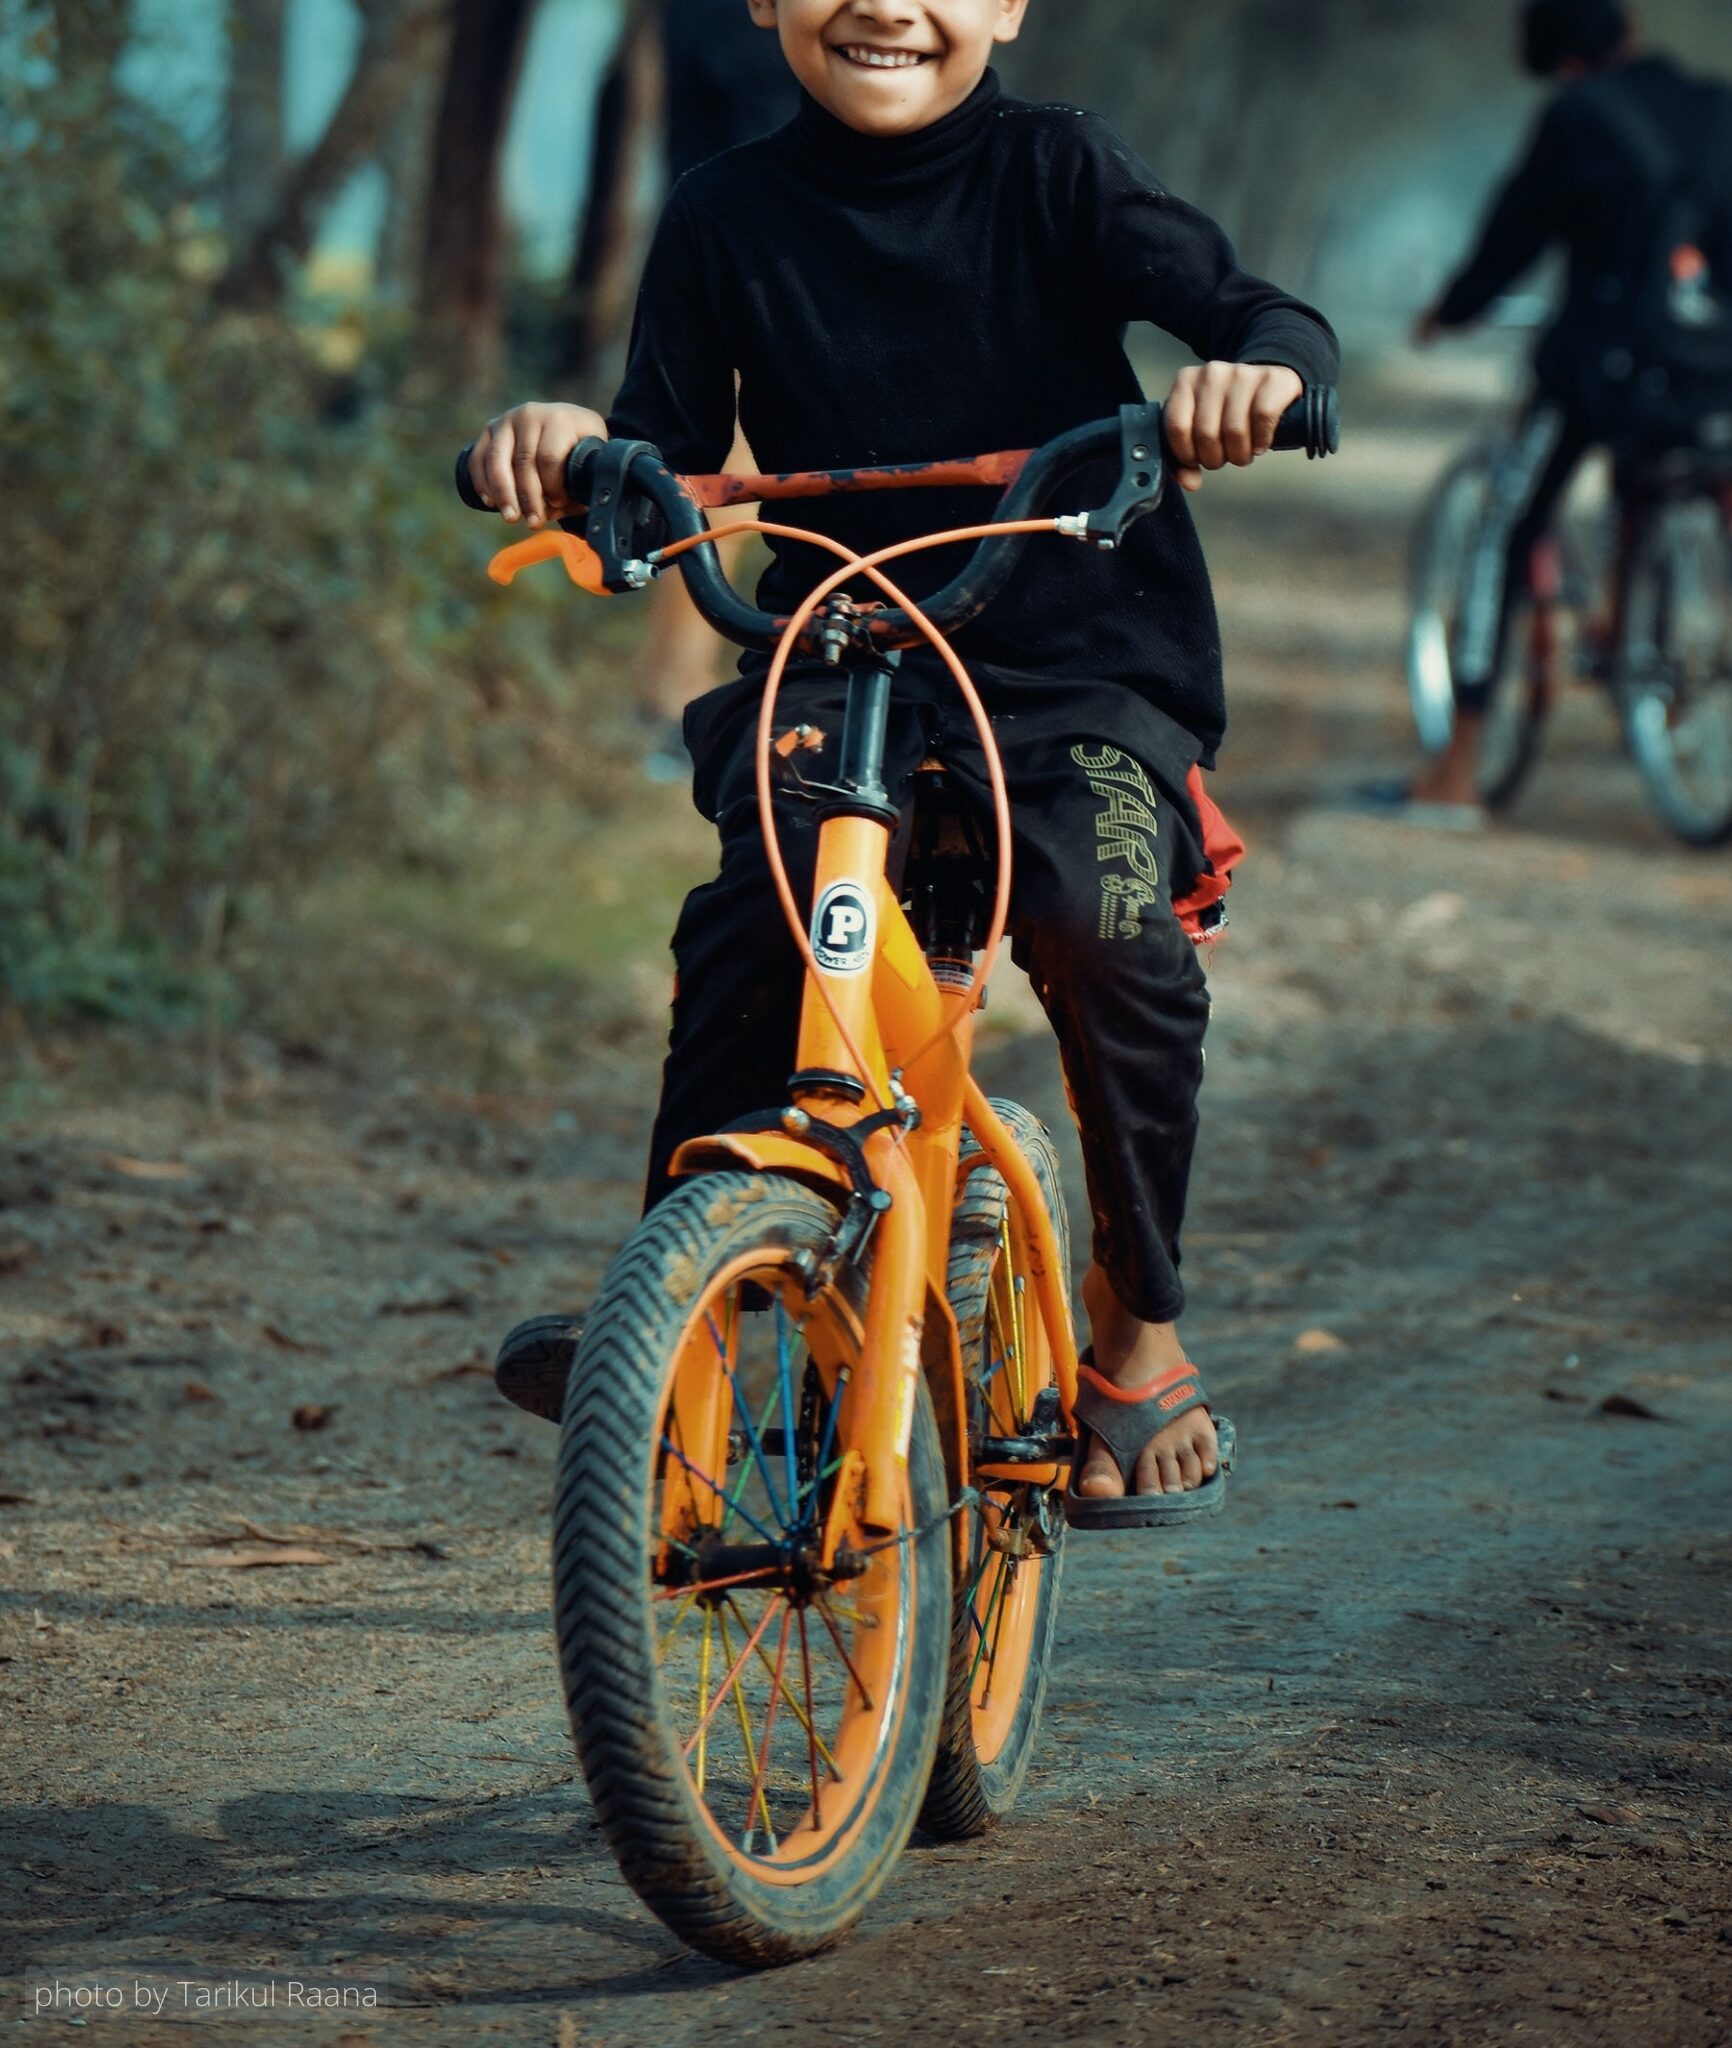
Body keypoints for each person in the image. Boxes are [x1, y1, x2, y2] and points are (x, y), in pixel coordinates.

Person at [467, 0, 1337, 1519]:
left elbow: (1264, 317)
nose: (884, 3)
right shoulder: (724, 211)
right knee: (750, 929)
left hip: (1079, 669)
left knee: (1104, 928)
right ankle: (683, 1319)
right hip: (843, 651)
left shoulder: (1059, 171)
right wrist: (571, 448)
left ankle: (1140, 1326)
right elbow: (660, 449)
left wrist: (1250, 375)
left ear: (1007, 6)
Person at [1399, 0, 1732, 820]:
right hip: (1713, 371)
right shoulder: (1716, 106)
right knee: (1657, 472)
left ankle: (1459, 767)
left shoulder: (1577, 115)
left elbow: (1512, 236)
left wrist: (1453, 311)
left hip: (1602, 371)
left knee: (1505, 524)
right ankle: (1636, 649)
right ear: (1630, 33)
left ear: (1556, 61)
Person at [634, 0, 805, 778]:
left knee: (716, 459)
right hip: (758, 260)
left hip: (731, 225)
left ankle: (670, 690)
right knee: (722, 459)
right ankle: (674, 692)